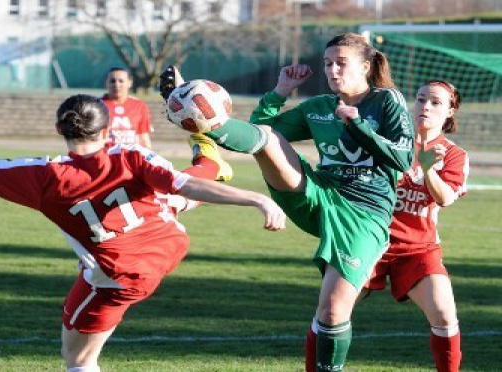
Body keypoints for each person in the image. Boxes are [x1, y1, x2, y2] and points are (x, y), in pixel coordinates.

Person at [0, 83, 286, 372]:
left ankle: (208, 162)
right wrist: (256, 199)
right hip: (169, 243)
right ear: (107, 126)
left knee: (77, 359)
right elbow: (182, 185)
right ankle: (209, 160)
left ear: (58, 129)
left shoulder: (45, 176)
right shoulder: (131, 155)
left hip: (118, 275)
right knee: (169, 196)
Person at [160, 32, 414, 371]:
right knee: (267, 138)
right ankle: (195, 110)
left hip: (365, 212)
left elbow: (403, 159)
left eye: (341, 63)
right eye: (327, 64)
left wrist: (357, 125)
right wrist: (280, 92)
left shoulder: (386, 100)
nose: (332, 70)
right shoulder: (319, 107)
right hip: (317, 194)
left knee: (333, 311)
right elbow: (257, 134)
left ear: (366, 66)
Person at [360, 80, 468, 372]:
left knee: (445, 316)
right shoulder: (390, 140)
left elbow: (444, 198)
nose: (425, 107)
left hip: (418, 248)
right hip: (370, 241)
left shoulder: (454, 154)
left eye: (435, 102)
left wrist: (428, 167)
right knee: (332, 310)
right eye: (421, 100)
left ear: (450, 110)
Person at [101, 67, 153, 149]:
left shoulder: (139, 106)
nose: (116, 85)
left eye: (121, 81)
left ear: (129, 82)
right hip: (106, 157)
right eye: (112, 81)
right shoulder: (97, 106)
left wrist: (150, 158)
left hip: (131, 158)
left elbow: (143, 137)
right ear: (106, 83)